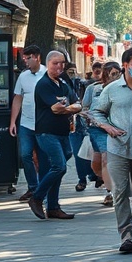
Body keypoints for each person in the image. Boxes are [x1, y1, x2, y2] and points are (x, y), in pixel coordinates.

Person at [91, 48, 132, 254]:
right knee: (119, 192)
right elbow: (96, 112)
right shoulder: (111, 90)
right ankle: (126, 235)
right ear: (125, 66)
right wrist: (107, 127)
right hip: (117, 148)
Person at [25, 49, 81, 220]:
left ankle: (53, 207)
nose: (59, 66)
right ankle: (37, 197)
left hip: (63, 133)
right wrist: (68, 108)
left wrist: (68, 108)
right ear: (47, 64)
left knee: (61, 164)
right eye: (55, 63)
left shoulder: (63, 84)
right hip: (46, 133)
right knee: (59, 166)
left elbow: (78, 104)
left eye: (62, 63)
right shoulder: (43, 84)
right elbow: (56, 108)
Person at [8, 45, 47, 202]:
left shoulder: (47, 73)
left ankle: (43, 189)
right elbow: (18, 98)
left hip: (43, 123)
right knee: (25, 154)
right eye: (24, 58)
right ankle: (33, 187)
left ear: (36, 57)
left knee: (43, 157)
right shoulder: (23, 77)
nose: (25, 62)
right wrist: (13, 121)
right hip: (26, 123)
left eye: (27, 58)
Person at [81, 61, 118, 206]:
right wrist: (88, 117)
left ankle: (111, 193)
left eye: (116, 73)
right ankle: (108, 182)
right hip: (97, 128)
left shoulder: (121, 89)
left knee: (106, 159)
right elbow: (85, 106)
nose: (113, 76)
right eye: (110, 73)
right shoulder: (93, 88)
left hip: (115, 128)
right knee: (96, 164)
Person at [64, 61, 97, 192]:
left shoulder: (83, 84)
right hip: (73, 123)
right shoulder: (64, 85)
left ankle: (95, 175)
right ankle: (82, 179)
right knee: (78, 153)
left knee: (92, 151)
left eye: (74, 71)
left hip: (87, 122)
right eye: (70, 72)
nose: (73, 74)